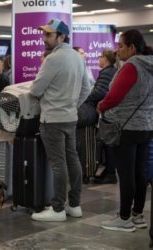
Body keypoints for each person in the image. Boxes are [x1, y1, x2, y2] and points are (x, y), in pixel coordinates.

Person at [29, 18, 91, 222]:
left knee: (58, 164)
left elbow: (36, 89)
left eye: (49, 35)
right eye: (44, 34)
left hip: (53, 119)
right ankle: (74, 205)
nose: (44, 38)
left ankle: (57, 209)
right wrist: (72, 104)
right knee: (72, 160)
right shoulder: (77, 57)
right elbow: (86, 89)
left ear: (61, 36)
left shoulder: (53, 59)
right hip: (70, 118)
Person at [97, 29, 153, 232]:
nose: (117, 49)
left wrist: (101, 106)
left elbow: (114, 96)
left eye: (121, 46)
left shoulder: (132, 66)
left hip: (127, 128)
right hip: (146, 126)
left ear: (132, 48)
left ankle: (124, 217)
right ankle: (138, 215)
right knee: (140, 172)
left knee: (126, 174)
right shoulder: (150, 65)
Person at [83, 48, 121, 184]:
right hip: (110, 112)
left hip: (108, 113)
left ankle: (110, 172)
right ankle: (109, 171)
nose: (98, 59)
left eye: (100, 57)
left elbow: (99, 92)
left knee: (108, 142)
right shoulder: (110, 71)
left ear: (105, 58)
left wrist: (83, 99)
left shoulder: (107, 72)